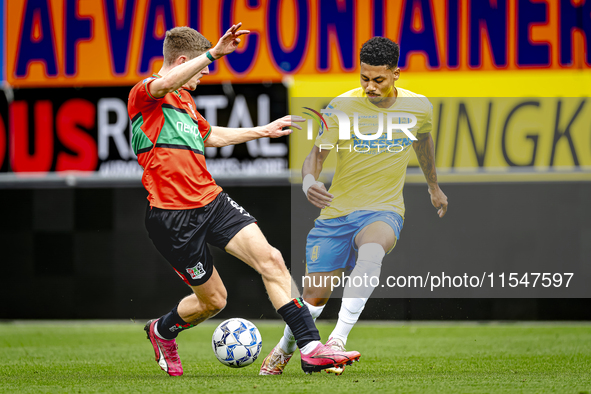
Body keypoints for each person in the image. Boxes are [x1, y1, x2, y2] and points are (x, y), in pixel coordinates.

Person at [127, 24, 360, 376]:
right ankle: (162, 331)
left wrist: (262, 130)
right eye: (202, 70)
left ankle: (311, 349)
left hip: (212, 201)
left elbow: (211, 135)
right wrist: (214, 53)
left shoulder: (185, 102)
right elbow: (165, 83)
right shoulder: (145, 95)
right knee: (214, 301)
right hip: (172, 218)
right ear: (182, 61)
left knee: (271, 259)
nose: (203, 76)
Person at [259, 37, 448, 375]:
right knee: (314, 302)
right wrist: (309, 182)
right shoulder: (341, 108)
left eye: (378, 79)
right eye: (364, 78)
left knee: (372, 251)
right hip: (337, 213)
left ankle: (337, 341)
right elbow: (315, 157)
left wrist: (434, 186)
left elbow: (423, 141)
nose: (370, 86)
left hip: (384, 209)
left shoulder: (419, 107)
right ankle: (285, 348)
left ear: (396, 74)